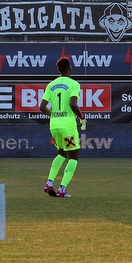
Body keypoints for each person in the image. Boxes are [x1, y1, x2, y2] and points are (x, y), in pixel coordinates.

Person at [39, 57, 85, 198]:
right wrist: (82, 117)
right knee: (73, 156)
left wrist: (54, 115)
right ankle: (62, 189)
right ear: (70, 68)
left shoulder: (51, 85)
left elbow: (42, 107)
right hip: (67, 126)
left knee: (61, 154)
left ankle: (49, 183)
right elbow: (73, 104)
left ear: (58, 69)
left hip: (54, 125)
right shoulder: (74, 84)